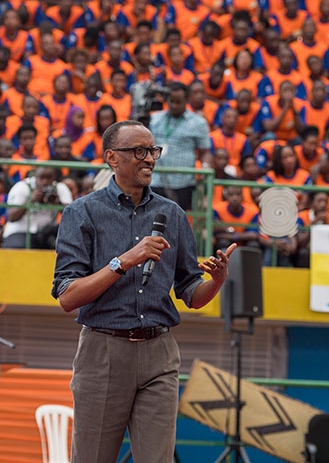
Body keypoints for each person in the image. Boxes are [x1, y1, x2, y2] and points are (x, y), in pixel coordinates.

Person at [51, 120, 237, 463]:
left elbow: (191, 293)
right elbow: (67, 296)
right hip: (102, 352)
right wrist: (122, 261)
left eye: (152, 151)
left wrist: (217, 281)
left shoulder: (173, 214)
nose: (149, 158)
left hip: (160, 353)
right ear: (112, 158)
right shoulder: (81, 213)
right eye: (138, 151)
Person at [149, 82, 213, 211]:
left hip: (182, 182)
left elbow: (205, 151)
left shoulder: (198, 123)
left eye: (178, 102)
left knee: (175, 220)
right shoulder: (155, 119)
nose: (174, 105)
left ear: (187, 100)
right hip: (156, 179)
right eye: (171, 101)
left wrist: (205, 168)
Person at [3, 166, 72, 249]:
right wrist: (30, 201)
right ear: (35, 176)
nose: (45, 182)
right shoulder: (21, 187)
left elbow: (71, 216)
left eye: (49, 178)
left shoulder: (60, 188)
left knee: (63, 246)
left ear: (54, 177)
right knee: (18, 247)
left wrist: (57, 203)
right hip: (20, 231)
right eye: (41, 178)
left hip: (46, 233)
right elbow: (11, 217)